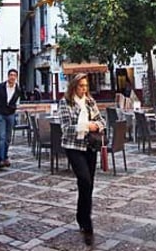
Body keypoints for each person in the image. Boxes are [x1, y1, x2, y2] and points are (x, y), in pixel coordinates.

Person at [58, 73, 106, 247]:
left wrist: (97, 126)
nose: (84, 89)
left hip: (90, 147)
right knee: (84, 180)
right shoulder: (65, 103)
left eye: (86, 86)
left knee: (88, 184)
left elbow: (102, 121)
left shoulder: (90, 102)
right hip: (73, 147)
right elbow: (66, 128)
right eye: (80, 86)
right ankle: (86, 222)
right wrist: (87, 126)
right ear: (73, 87)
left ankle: (82, 215)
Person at [0, 68, 21, 170]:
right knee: (2, 137)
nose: (12, 77)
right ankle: (1, 160)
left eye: (14, 75)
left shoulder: (18, 89)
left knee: (8, 138)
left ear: (16, 77)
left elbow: (15, 101)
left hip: (10, 115)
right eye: (11, 75)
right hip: (0, 114)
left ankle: (5, 156)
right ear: (8, 76)